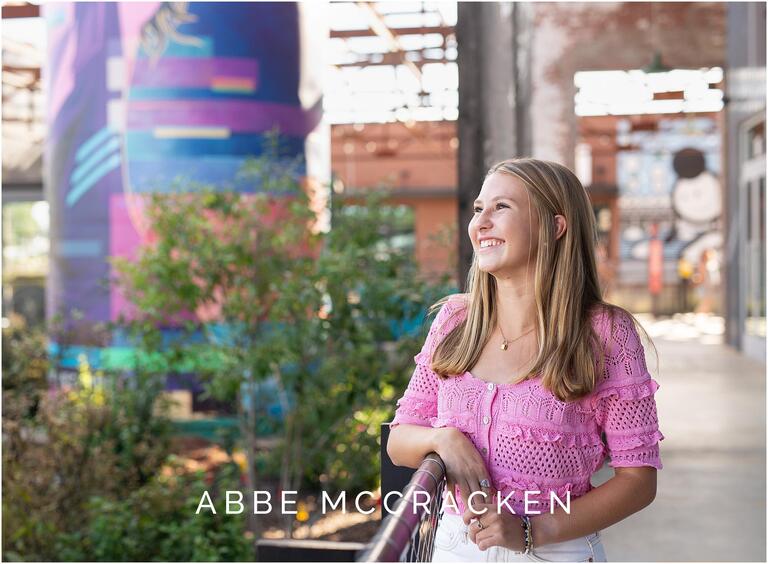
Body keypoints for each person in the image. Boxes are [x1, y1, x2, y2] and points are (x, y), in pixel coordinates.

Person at [387, 158, 664, 562]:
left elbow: (638, 479)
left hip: (555, 553)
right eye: (478, 209)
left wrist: (533, 530)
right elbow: (399, 441)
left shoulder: (604, 332)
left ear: (555, 227)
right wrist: (442, 439)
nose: (480, 223)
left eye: (501, 207)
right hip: (453, 550)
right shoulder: (455, 320)